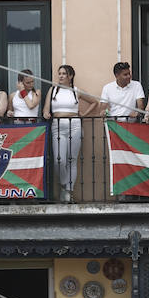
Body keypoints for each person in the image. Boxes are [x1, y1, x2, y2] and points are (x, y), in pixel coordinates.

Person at [42, 63, 87, 203]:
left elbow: (94, 102)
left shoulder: (76, 90)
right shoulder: (53, 90)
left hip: (74, 125)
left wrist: (84, 114)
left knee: (71, 160)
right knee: (59, 160)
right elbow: (45, 110)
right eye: (59, 73)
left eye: (64, 74)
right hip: (57, 126)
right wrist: (46, 114)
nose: (61, 76)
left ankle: (68, 191)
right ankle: (63, 185)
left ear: (70, 76)